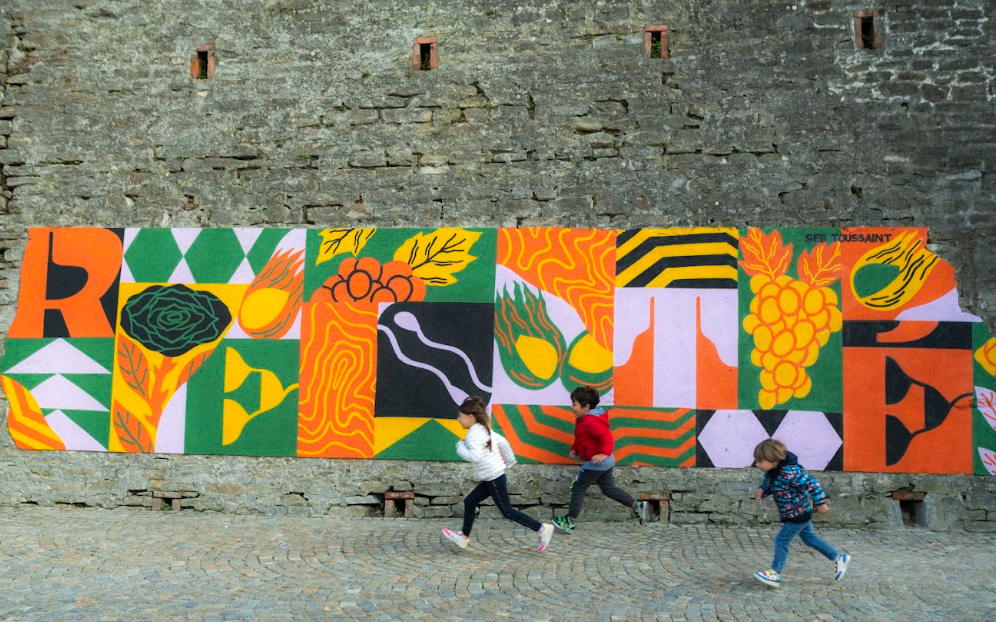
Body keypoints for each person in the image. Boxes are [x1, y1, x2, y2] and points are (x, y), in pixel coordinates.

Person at [442, 395, 554, 552]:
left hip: (493, 479)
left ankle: (542, 529)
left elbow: (475, 457)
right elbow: (504, 443)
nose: (458, 419)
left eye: (460, 416)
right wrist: (510, 462)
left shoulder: (474, 434)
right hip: (493, 477)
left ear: (470, 417)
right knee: (470, 501)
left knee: (507, 511)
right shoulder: (483, 429)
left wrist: (460, 446)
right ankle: (464, 537)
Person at [752, 438, 851, 587]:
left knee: (781, 540)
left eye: (760, 461)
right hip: (796, 512)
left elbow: (812, 484)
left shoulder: (790, 474)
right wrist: (763, 491)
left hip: (797, 515)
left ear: (773, 460)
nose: (757, 464)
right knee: (809, 539)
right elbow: (770, 484)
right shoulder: (773, 472)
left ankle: (775, 574)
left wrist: (821, 503)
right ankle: (838, 558)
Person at [552, 386, 648, 534]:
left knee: (578, 487)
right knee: (608, 489)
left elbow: (606, 437)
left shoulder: (590, 421)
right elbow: (582, 438)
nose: (572, 407)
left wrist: (604, 453)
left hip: (596, 464)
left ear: (586, 407)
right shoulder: (584, 419)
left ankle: (570, 521)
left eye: (574, 404)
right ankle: (637, 507)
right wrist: (575, 448)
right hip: (604, 463)